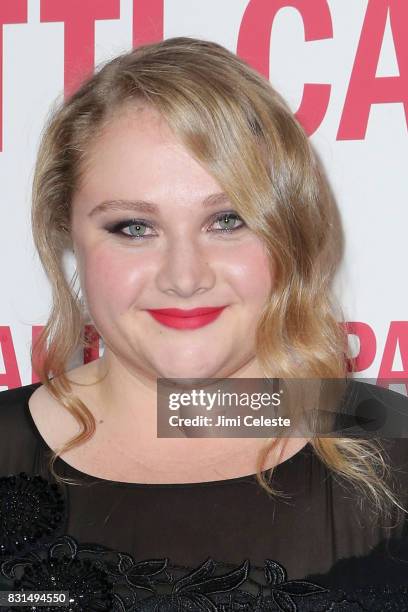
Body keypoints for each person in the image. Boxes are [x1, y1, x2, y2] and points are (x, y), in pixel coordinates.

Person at [1, 36, 408, 611]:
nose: (184, 277)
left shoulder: (397, 445)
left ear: (289, 229)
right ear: (68, 235)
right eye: (133, 228)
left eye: (227, 219)